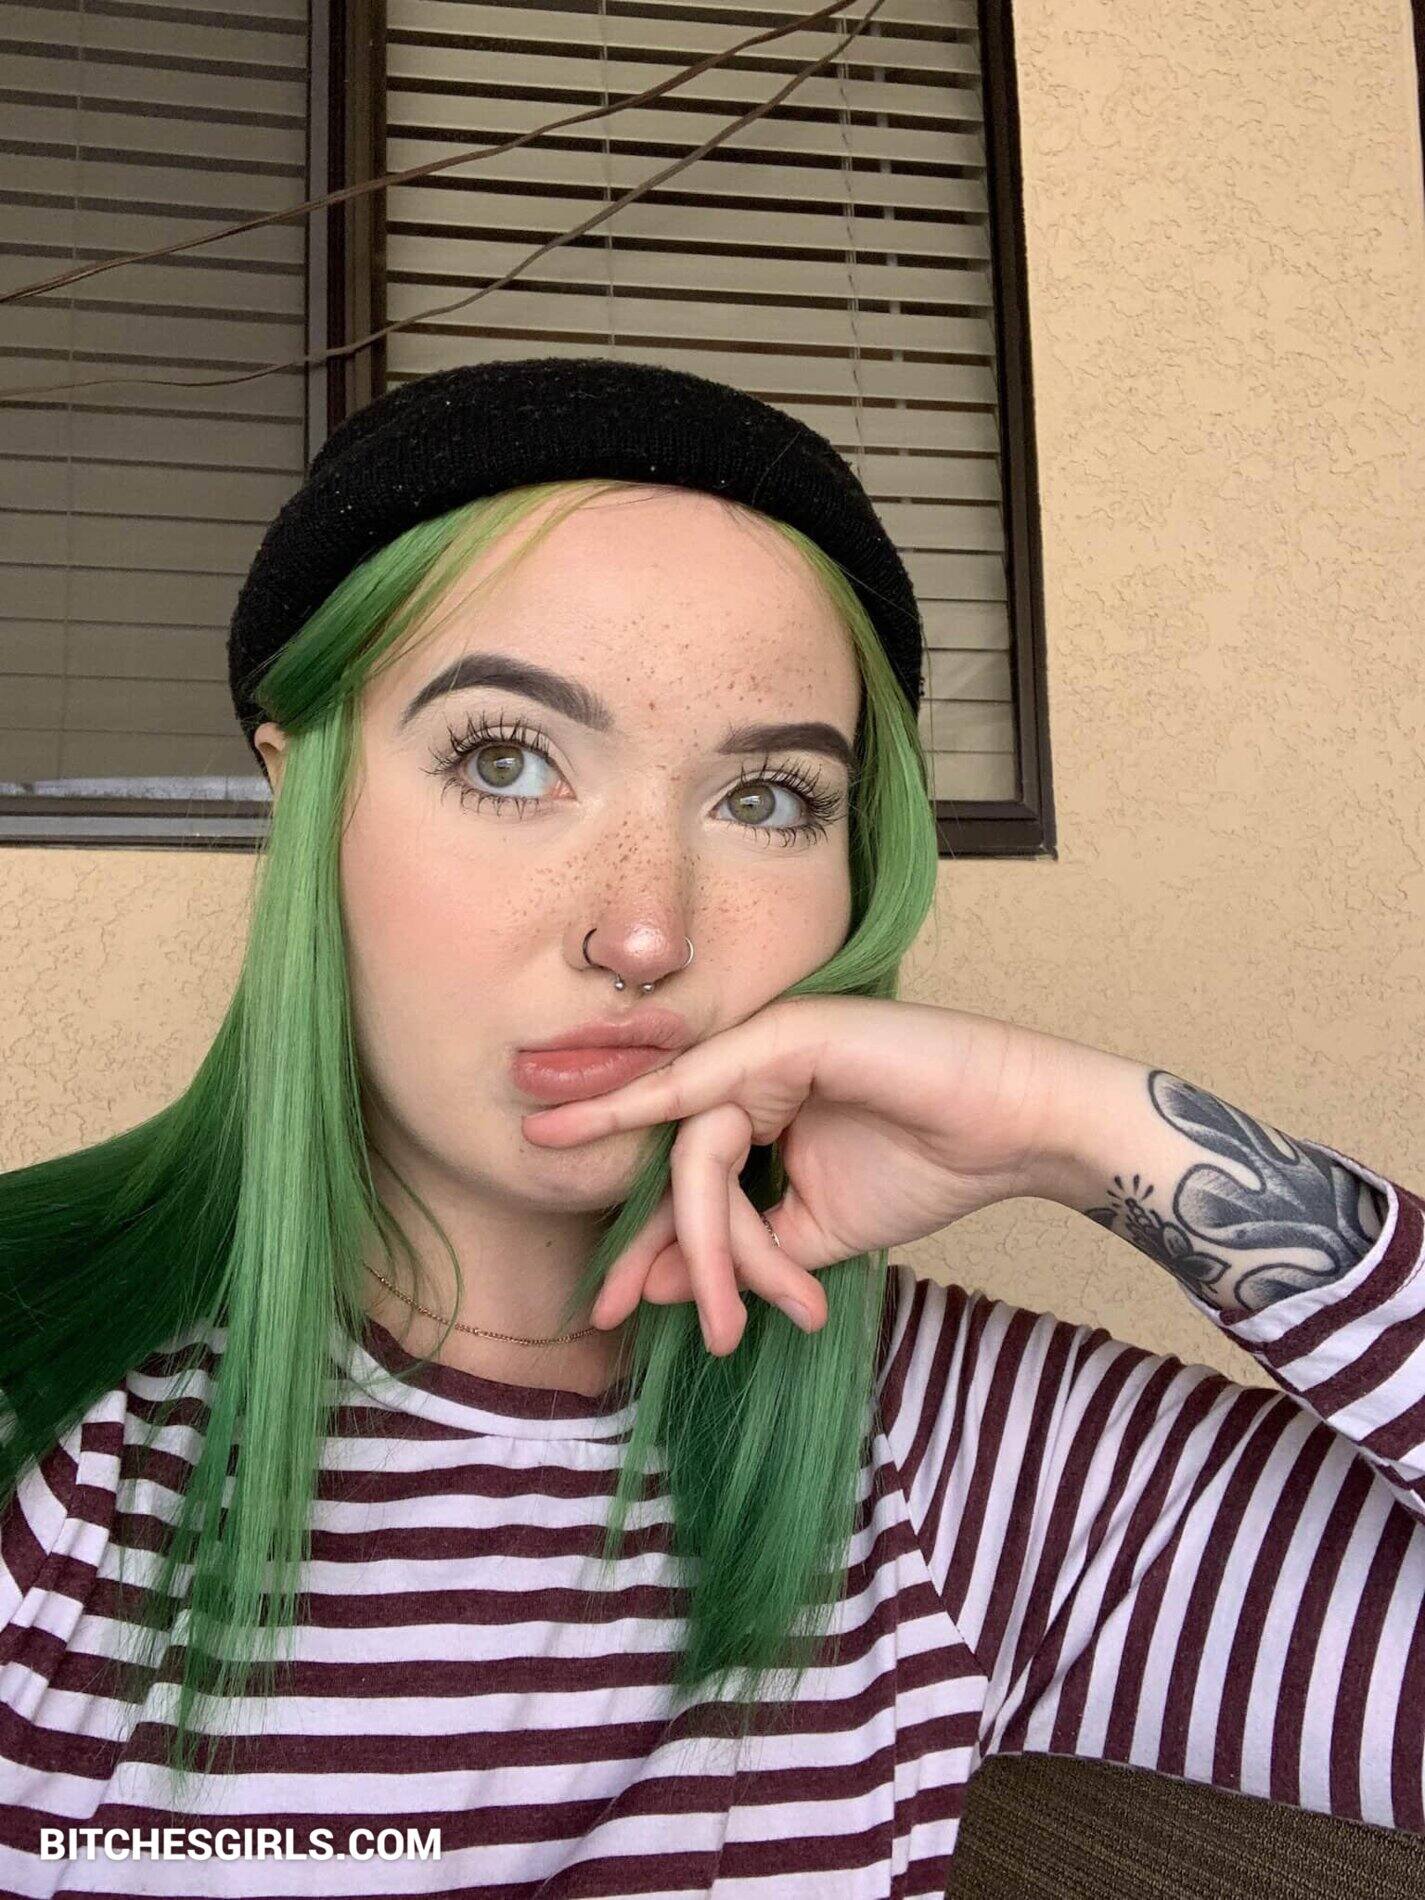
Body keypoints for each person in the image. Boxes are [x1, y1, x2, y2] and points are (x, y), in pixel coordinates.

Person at [0, 358, 1420, 1897]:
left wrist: (1091, 1134)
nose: (643, 934)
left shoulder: (956, 1456)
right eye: (504, 761)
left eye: (767, 801)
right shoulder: (53, 1428)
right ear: (303, 800)